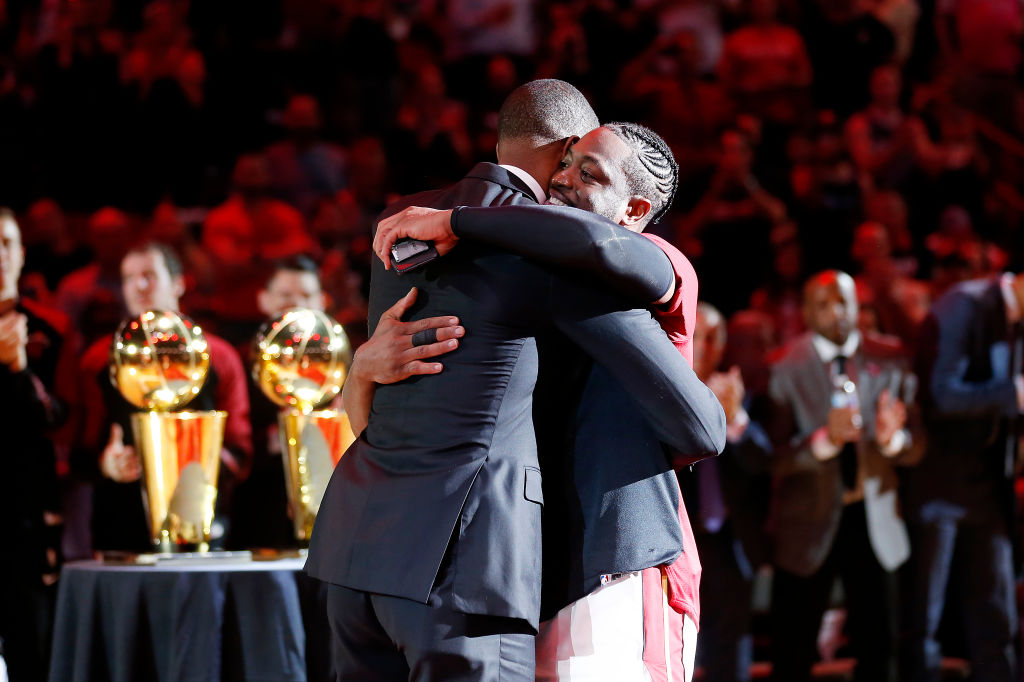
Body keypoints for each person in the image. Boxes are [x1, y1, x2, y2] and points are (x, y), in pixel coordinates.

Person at [305, 80, 726, 681]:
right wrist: (362, 369)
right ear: (559, 152)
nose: (569, 182)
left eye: (592, 173)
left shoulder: (634, 259)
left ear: (635, 211)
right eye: (572, 165)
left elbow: (702, 425)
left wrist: (462, 219)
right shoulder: (514, 247)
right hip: (514, 552)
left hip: (610, 547)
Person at [767, 270, 923, 682]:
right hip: (808, 527)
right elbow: (769, 459)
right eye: (824, 303)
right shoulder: (782, 367)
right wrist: (821, 442)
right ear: (805, 311)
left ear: (859, 306)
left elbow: (920, 444)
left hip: (876, 522)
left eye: (844, 301)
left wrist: (894, 441)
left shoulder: (891, 356)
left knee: (882, 648)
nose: (836, 311)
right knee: (793, 653)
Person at [77, 242, 252, 553]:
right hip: (121, 523)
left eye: (149, 275)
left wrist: (203, 462)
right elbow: (81, 448)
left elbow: (241, 449)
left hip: (201, 524)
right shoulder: (99, 359)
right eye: (128, 278)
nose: (138, 285)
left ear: (178, 283)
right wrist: (106, 463)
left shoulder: (219, 356)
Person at [901, 272, 1024, 682]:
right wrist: (1014, 394)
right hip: (940, 482)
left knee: (997, 617)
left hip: (988, 484)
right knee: (925, 621)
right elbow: (941, 393)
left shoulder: (1012, 317)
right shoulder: (964, 304)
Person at [681, 303, 772, 682]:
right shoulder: (664, 390)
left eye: (716, 337)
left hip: (731, 544)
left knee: (733, 654)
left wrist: (733, 416)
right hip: (682, 538)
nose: (707, 345)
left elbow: (763, 460)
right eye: (699, 333)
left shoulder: (738, 391)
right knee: (681, 650)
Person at [0, 209, 70, 682]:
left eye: (6, 243)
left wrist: (19, 371)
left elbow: (59, 419)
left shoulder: (51, 329)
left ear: (23, 254)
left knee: (33, 650)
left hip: (26, 516)